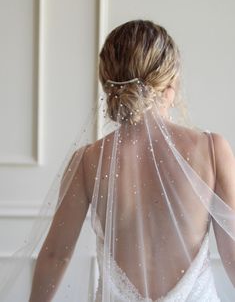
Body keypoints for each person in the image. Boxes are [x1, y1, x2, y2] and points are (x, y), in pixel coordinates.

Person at [1, 19, 235, 302]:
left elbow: (55, 255)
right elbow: (232, 252)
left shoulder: (88, 161)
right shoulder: (210, 150)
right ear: (171, 83)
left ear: (108, 83)